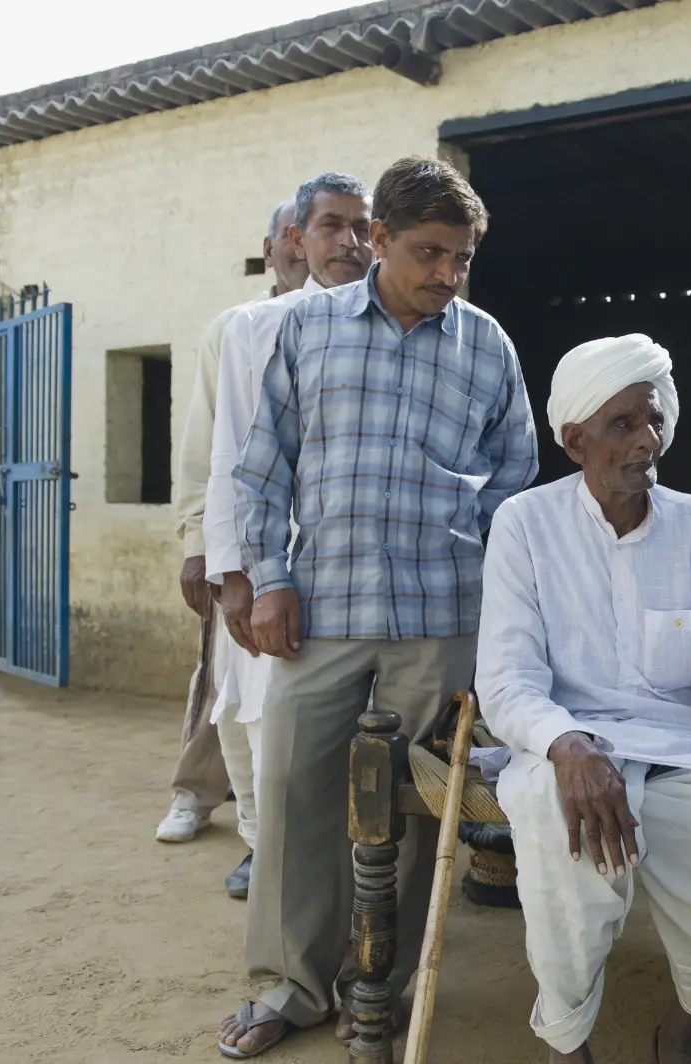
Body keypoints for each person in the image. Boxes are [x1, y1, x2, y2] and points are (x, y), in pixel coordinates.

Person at [217, 157, 538, 1059]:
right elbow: (263, 466)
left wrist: (493, 601)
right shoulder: (308, 330)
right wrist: (268, 579)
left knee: (407, 802)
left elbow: (515, 483)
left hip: (440, 618)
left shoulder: (488, 345)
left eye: (462, 259)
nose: (447, 273)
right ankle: (293, 982)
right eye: (429, 253)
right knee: (292, 791)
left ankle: (377, 979)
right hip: (321, 610)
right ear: (380, 241)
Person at [477, 335, 691, 1064]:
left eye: (652, 421)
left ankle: (682, 1027)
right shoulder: (525, 525)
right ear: (573, 440)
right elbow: (506, 678)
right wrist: (565, 746)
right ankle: (567, 1041)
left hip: (680, 742)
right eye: (621, 425)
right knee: (560, 827)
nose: (646, 441)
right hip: (562, 740)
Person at [201, 173, 375, 902]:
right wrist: (233, 574)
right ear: (297, 241)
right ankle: (275, 873)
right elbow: (230, 456)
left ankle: (351, 895)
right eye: (332, 226)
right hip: (273, 568)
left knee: (355, 746)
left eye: (362, 228)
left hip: (357, 578)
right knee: (263, 726)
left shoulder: (399, 327)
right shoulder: (252, 329)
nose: (350, 242)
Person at [158, 201, 306, 902]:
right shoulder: (235, 329)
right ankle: (197, 795)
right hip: (237, 552)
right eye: (299, 236)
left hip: (304, 556)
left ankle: (279, 843)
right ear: (274, 246)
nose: (312, 249)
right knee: (223, 688)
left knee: (281, 705)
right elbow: (206, 448)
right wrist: (198, 543)